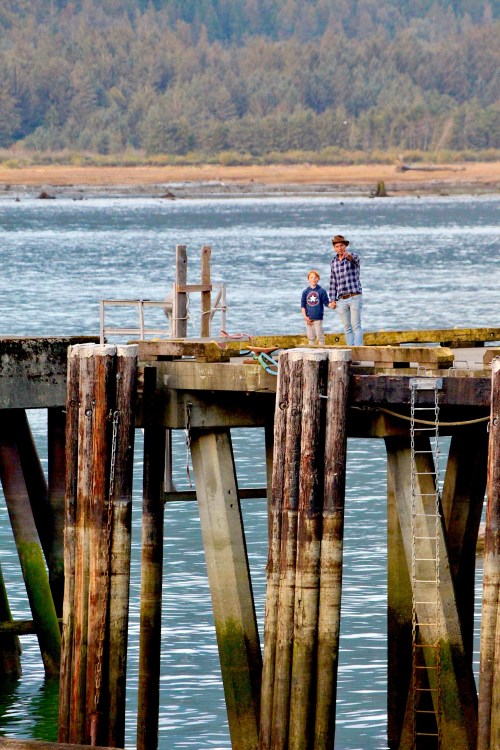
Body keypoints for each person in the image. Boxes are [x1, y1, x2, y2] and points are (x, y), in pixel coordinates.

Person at [328, 234, 363, 345]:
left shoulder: (353, 257)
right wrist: (332, 299)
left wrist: (349, 257)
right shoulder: (333, 263)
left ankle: (358, 350)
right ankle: (350, 351)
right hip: (341, 299)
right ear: (334, 248)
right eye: (337, 246)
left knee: (356, 325)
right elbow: (333, 282)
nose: (339, 248)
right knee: (347, 327)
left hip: (354, 296)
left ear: (345, 246)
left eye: (341, 245)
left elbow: (355, 261)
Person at [301, 269, 330, 346]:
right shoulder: (305, 292)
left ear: (318, 279)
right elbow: (303, 305)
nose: (313, 279)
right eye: (311, 277)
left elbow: (326, 303)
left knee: (320, 337)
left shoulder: (322, 291)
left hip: (318, 318)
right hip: (309, 319)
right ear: (308, 279)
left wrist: (332, 305)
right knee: (311, 338)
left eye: (315, 277)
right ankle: (312, 352)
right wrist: (305, 317)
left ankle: (322, 351)